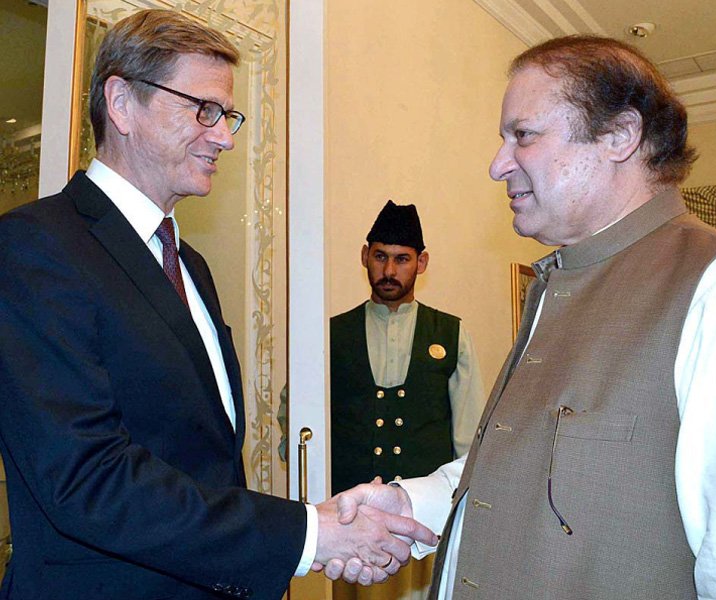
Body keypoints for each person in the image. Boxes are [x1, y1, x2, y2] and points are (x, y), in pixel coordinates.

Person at [330, 35, 716, 598]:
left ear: (620, 136)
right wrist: (411, 502)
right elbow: (536, 465)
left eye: (522, 136)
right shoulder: (557, 284)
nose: (497, 164)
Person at [0, 10, 435, 600]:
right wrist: (311, 535)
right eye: (203, 110)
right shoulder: (34, 245)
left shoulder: (190, 265)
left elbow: (200, 461)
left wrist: (306, 531)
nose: (225, 136)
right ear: (122, 103)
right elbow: (86, 479)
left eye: (227, 115)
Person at [330, 200, 485, 495]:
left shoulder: (452, 334)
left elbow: (470, 440)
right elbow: (300, 418)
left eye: (402, 259)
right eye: (380, 256)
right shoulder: (330, 335)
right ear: (365, 256)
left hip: (424, 512)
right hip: (346, 509)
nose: (389, 270)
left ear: (421, 263)